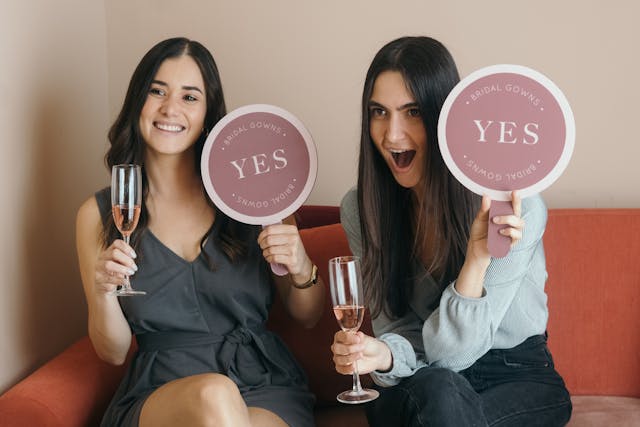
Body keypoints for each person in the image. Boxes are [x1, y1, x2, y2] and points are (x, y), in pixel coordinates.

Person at [76, 37, 324, 427]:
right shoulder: (99, 214)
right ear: (137, 100)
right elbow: (112, 352)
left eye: (190, 97)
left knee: (228, 406)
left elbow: (307, 316)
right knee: (214, 394)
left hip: (263, 386)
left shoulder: (254, 193)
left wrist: (300, 264)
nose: (170, 108)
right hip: (160, 394)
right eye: (157, 91)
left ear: (209, 112)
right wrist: (105, 291)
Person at [330, 36, 572, 426]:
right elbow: (399, 332)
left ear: (444, 116)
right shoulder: (362, 209)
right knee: (439, 392)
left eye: (411, 112)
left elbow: (457, 354)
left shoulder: (516, 209)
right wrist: (383, 354)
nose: (392, 135)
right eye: (379, 111)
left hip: (515, 372)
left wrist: (476, 261)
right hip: (423, 380)